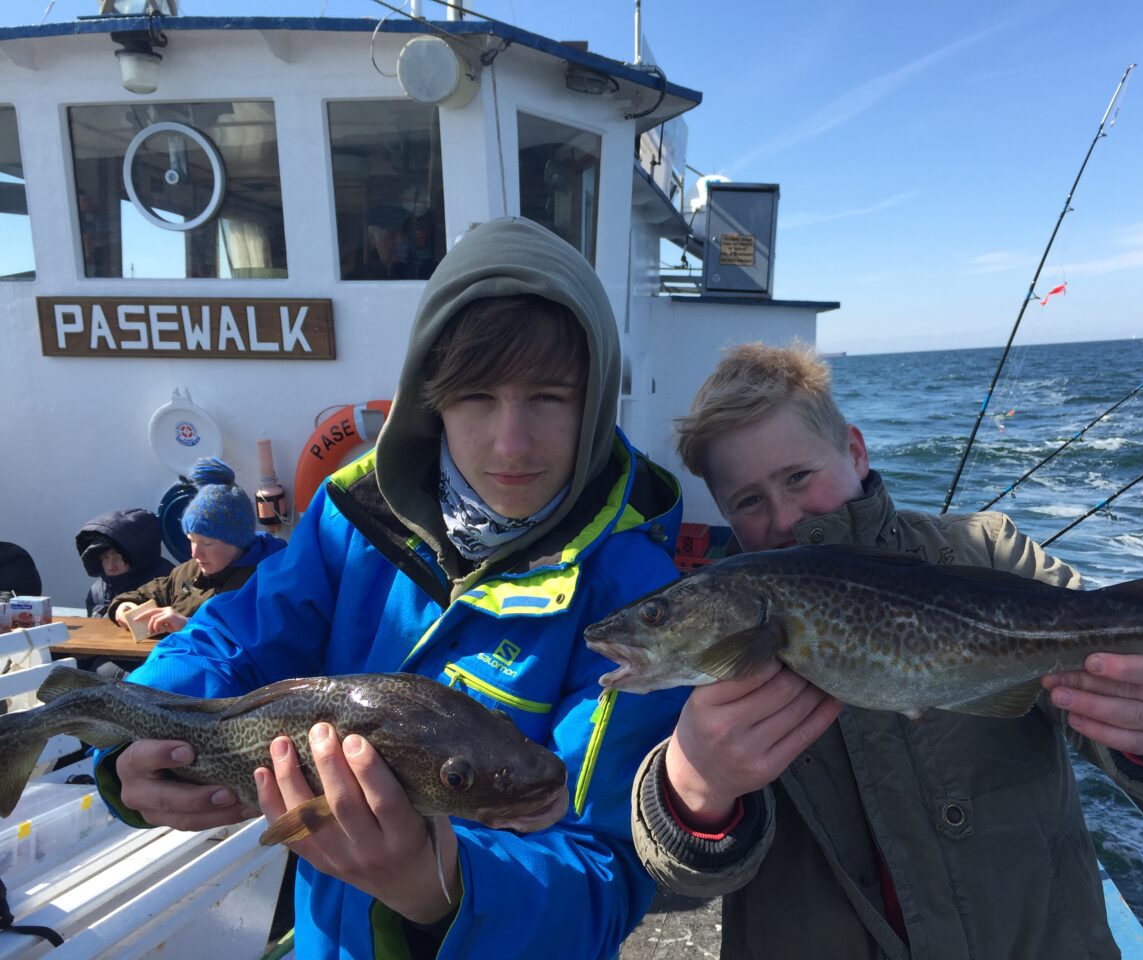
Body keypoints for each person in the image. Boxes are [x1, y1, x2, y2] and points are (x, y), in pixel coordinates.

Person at [93, 217, 687, 959]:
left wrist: (442, 890)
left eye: (550, 397)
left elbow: (604, 879)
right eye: (475, 397)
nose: (511, 443)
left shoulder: (637, 601)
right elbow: (230, 637)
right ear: (430, 400)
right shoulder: (351, 519)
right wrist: (133, 738)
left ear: (596, 402)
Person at [630, 343, 1143, 960]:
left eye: (798, 477)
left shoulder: (990, 553)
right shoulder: (713, 633)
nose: (786, 516)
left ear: (855, 450)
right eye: (749, 501)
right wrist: (695, 788)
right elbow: (686, 873)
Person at [107, 460, 286, 637]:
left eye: (207, 543)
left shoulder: (264, 584)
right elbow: (156, 591)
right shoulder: (189, 571)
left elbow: (258, 638)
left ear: (237, 541)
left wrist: (187, 625)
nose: (195, 553)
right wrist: (125, 606)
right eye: (192, 540)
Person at [76, 507, 175, 618]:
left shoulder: (168, 582)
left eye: (117, 556)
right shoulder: (96, 591)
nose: (111, 565)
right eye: (105, 557)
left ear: (138, 553)